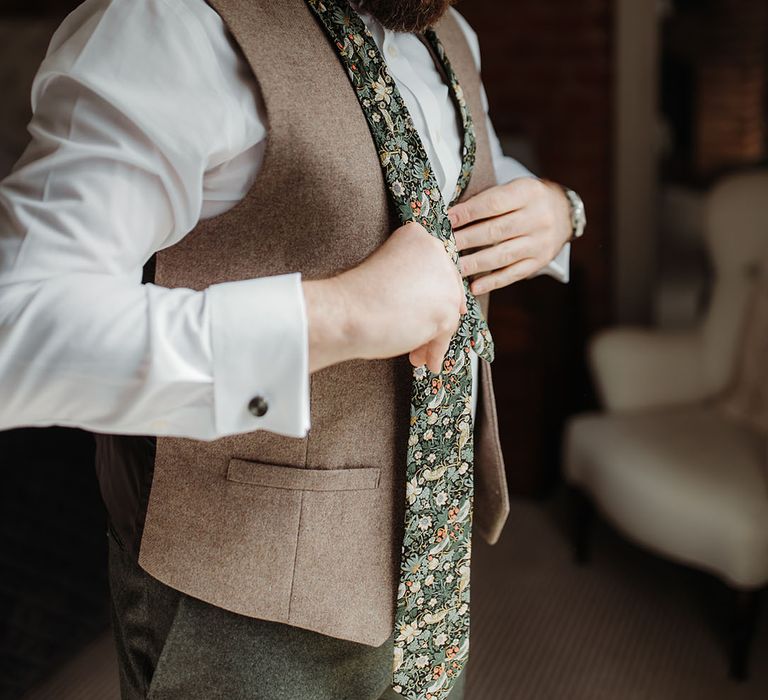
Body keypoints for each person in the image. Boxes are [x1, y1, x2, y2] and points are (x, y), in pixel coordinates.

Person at [0, 0, 584, 698]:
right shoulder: (170, 23)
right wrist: (340, 314)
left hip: (432, 576)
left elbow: (426, 175)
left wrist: (556, 210)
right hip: (245, 610)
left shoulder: (451, 34)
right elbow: (20, 322)